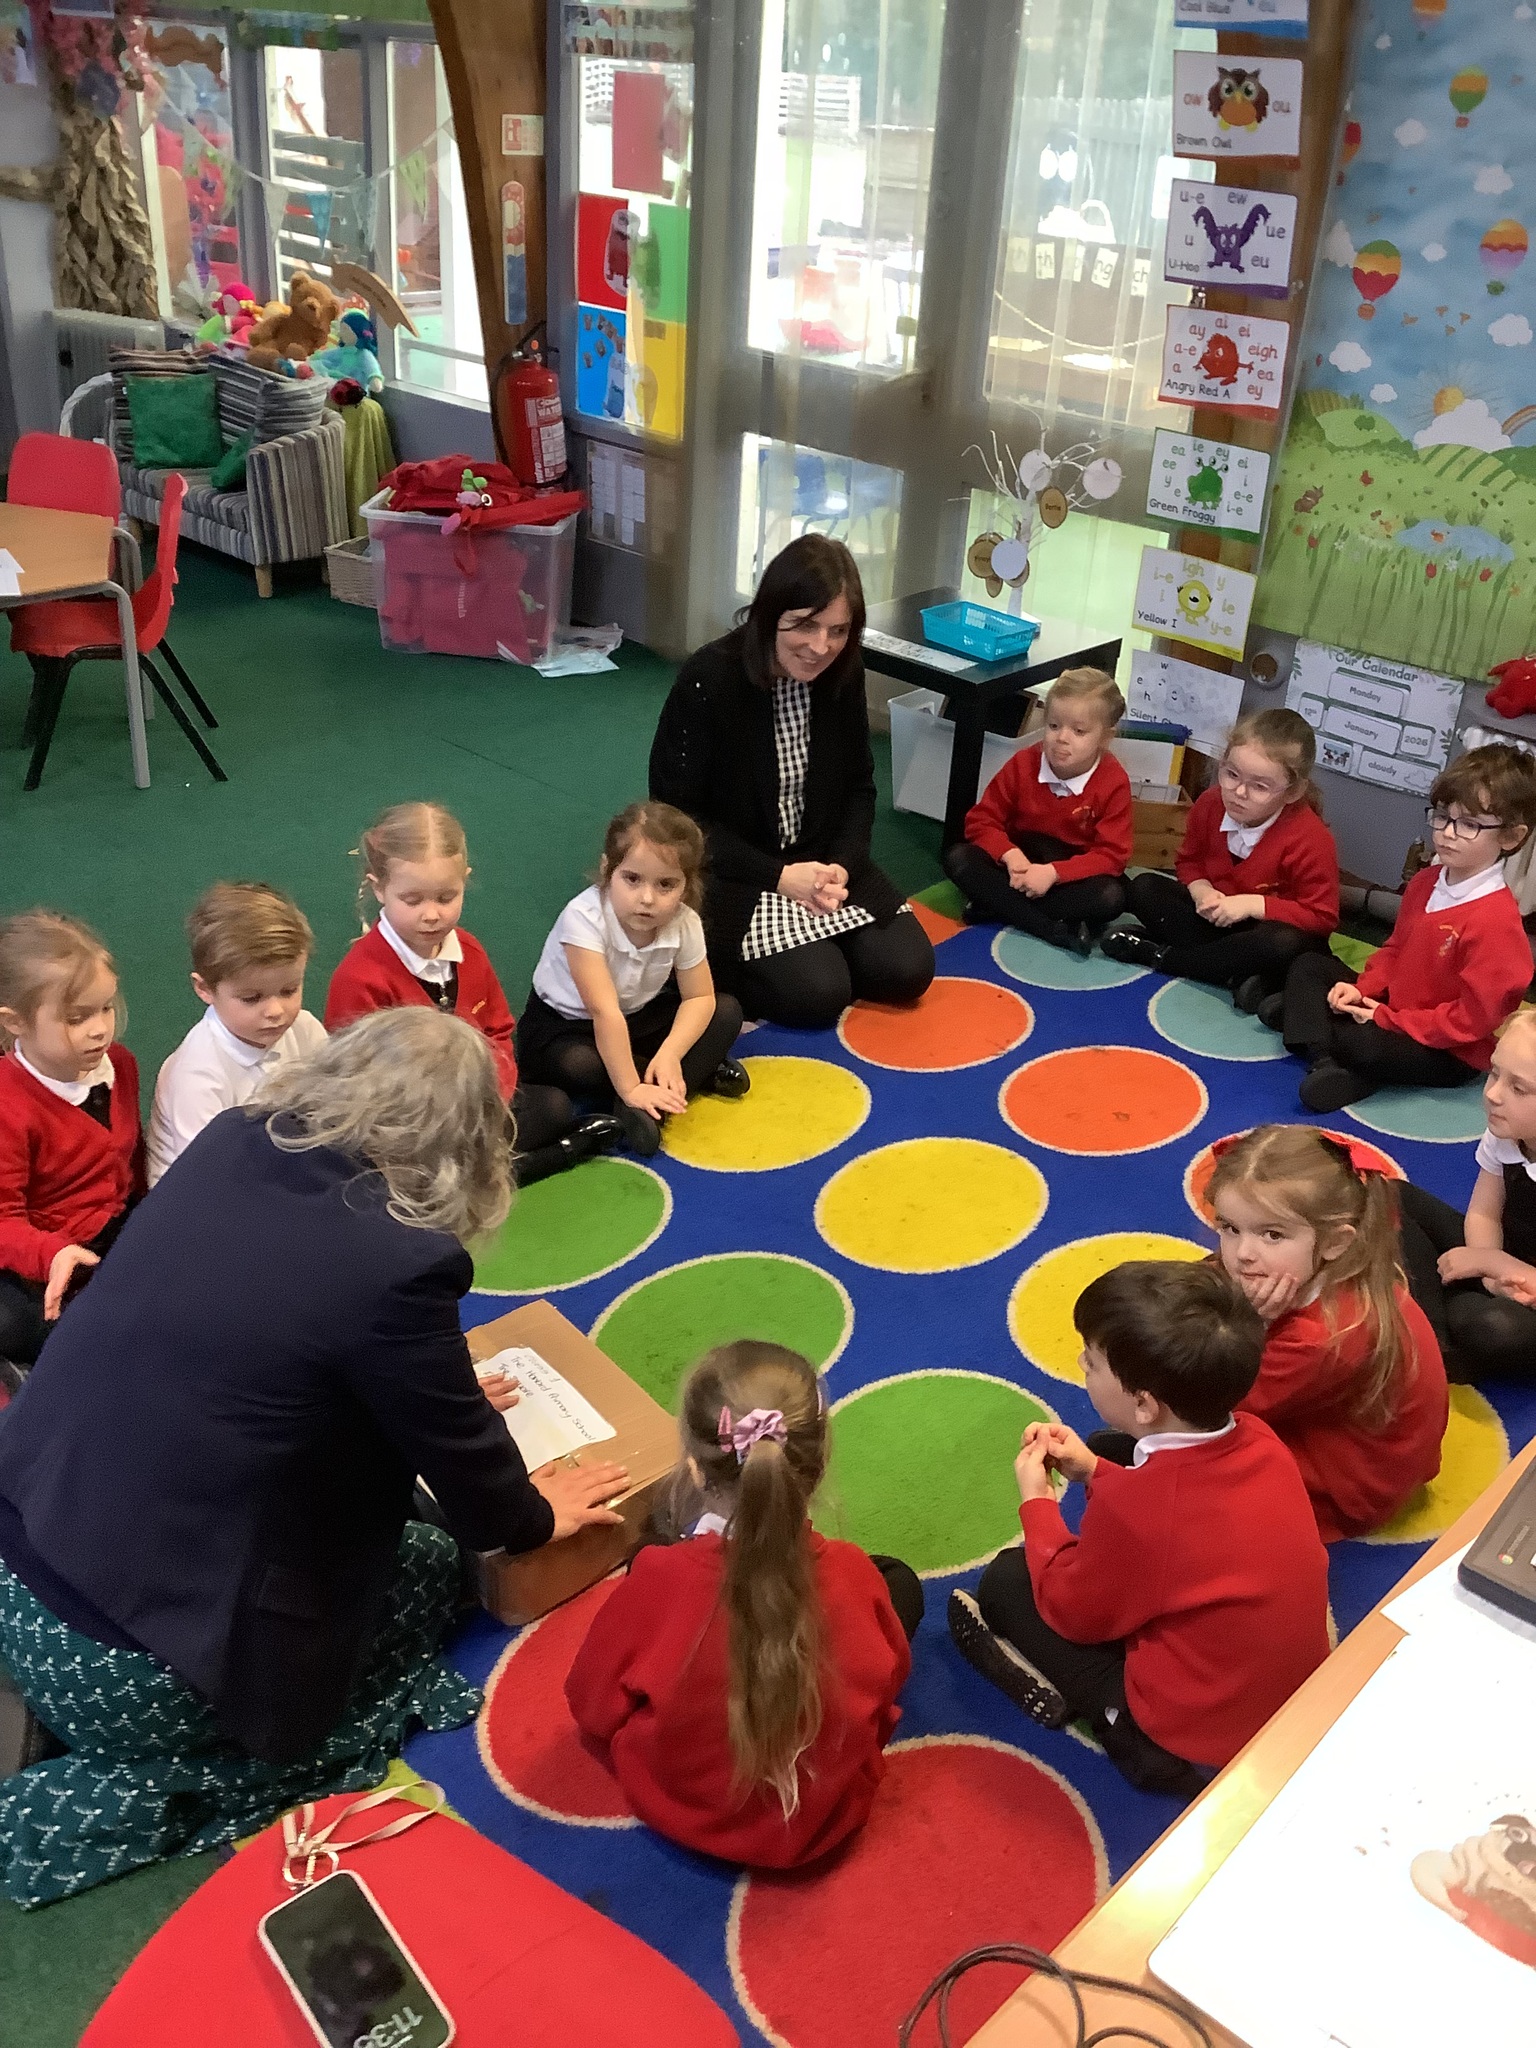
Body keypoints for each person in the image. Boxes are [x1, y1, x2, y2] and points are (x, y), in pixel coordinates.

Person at [0, 1009, 628, 1907]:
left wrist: (425, 1382)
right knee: (421, 1566)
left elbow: (266, 1334)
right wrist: (534, 1516)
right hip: (135, 1674)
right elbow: (484, 1501)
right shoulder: (399, 1261)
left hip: (19, 1547)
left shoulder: (234, 1137)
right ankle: (174, 1769)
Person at [948, 1261, 1328, 1799]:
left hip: (1190, 1744)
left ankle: (1106, 1721)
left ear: (1145, 1404)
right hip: (1292, 1698)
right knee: (1109, 1451)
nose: (1081, 1364)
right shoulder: (1261, 1438)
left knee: (1009, 1581)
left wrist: (1037, 1503)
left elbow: (1074, 1611)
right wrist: (1095, 1472)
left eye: (1092, 1361)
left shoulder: (1140, 1512)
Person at [565, 1341, 921, 1868]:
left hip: (679, 1807)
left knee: (653, 1556)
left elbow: (593, 1706)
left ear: (695, 1469)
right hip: (827, 1814)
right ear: (819, 1463)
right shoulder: (853, 1574)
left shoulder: (659, 1578)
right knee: (899, 1583)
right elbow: (886, 1690)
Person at [649, 534, 935, 1031]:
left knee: (908, 970)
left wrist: (842, 866)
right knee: (819, 994)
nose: (821, 646)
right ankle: (716, 964)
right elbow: (679, 820)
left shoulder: (843, 670)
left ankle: (816, 945)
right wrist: (780, 877)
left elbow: (859, 784)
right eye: (805, 625)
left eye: (838, 630)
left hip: (821, 861)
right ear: (770, 614)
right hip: (737, 872)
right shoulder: (710, 677)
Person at [324, 801, 618, 1181]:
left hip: (476, 1107)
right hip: (409, 1123)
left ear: (465, 879)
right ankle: (559, 1153)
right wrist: (433, 1118)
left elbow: (498, 1030)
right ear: (379, 889)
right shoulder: (360, 978)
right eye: (412, 900)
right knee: (398, 1164)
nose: (432, 914)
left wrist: (493, 1096)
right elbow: (351, 1083)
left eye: (446, 897)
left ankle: (471, 1172)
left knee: (553, 1106)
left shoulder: (469, 951)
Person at [1208, 1124, 1448, 1542]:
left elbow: (1223, 1402)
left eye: (1272, 1234)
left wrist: (1252, 1324)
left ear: (1336, 1242)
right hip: (1349, 1435)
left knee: (1189, 1464)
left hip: (1345, 1486)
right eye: (1230, 1228)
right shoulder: (1331, 1269)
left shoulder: (1322, 1337)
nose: (1243, 1253)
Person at [1274, 743, 1536, 1113]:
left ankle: (1313, 1035)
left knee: (1365, 1042)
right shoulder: (1426, 881)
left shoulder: (1496, 922)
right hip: (1392, 1008)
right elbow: (1394, 950)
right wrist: (1360, 989)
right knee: (1309, 966)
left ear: (1510, 837)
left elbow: (1472, 1021)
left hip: (1447, 1048)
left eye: (1469, 825)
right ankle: (1325, 1057)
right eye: (1442, 817)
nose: (1447, 833)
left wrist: (1386, 1020)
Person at [517, 801, 748, 1157]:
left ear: (686, 887)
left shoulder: (684, 922)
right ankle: (656, 1086)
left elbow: (699, 997)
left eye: (666, 884)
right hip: (567, 1025)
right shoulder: (583, 919)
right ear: (607, 870)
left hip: (636, 1014)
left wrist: (671, 1053)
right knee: (581, 1065)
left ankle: (652, 1095)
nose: (647, 899)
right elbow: (605, 1013)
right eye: (632, 879)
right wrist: (630, 1088)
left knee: (726, 1011)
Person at [1101, 709, 1338, 1010]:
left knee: (1285, 944)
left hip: (1264, 932)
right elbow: (1189, 862)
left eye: (1260, 787)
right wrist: (1201, 890)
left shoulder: (1310, 838)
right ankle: (1233, 973)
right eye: (1231, 774)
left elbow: (1321, 917)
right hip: (1217, 924)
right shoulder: (1210, 804)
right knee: (1144, 886)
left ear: (1293, 793)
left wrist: (1251, 905)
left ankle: (1164, 957)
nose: (1239, 792)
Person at [0, 912, 144, 1377]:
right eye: (76, 1018)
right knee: (19, 1323)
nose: (99, 1029)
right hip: (38, 1254)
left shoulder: (120, 1064)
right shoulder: (8, 1105)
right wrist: (52, 1255)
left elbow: (132, 1163)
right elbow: (3, 1220)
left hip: (109, 1230)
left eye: (105, 1008)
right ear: (16, 1022)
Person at [942, 667, 1132, 956]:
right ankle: (1052, 928)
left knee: (1111, 897)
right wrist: (1010, 855)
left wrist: (1054, 873)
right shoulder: (1023, 763)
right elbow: (981, 820)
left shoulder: (1114, 780)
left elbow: (1112, 855)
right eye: (1054, 726)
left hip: (1068, 874)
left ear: (1105, 737)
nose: (1062, 738)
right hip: (1018, 866)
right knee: (958, 858)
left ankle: (995, 905)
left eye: (1079, 731)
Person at [147, 881, 327, 1186]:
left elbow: (333, 1107)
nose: (275, 1011)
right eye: (251, 998)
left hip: (279, 1164)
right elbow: (209, 1175)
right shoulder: (197, 1074)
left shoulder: (305, 1029)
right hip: (206, 1191)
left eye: (289, 990)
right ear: (205, 989)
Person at [1398, 1008, 1536, 1383]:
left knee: (1495, 1326)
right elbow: (1484, 1214)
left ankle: (1436, 1312)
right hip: (1503, 1259)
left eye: (1518, 1088)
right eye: (1494, 1073)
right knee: (1388, 1195)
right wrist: (1487, 1272)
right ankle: (1436, 1345)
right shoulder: (1507, 1132)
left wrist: (1494, 1265)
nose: (1492, 1094)